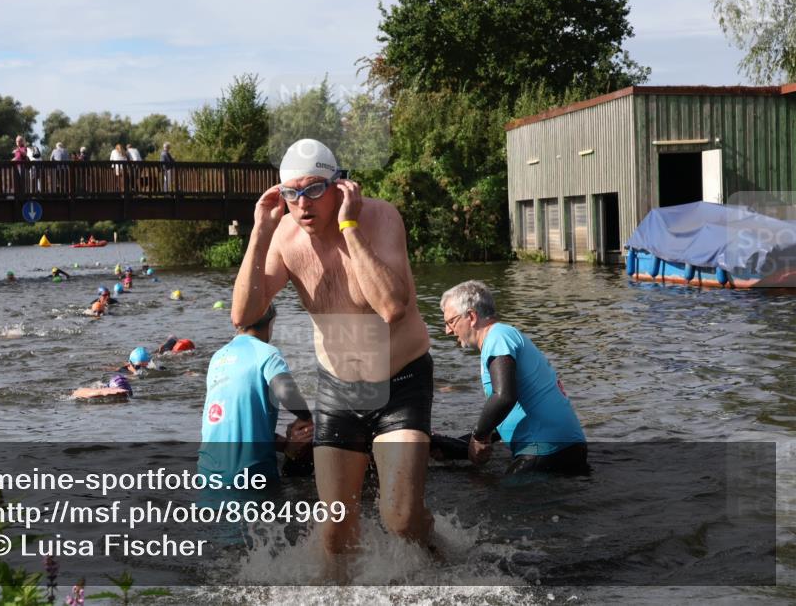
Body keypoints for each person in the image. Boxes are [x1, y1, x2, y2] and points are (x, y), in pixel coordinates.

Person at [231, 138, 434, 570]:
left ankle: (445, 565)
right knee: (335, 533)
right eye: (291, 194)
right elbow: (242, 315)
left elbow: (393, 307)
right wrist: (260, 230)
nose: (302, 205)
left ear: (340, 187)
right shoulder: (285, 235)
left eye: (314, 190)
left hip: (400, 384)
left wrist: (349, 227)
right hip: (338, 390)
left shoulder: (379, 218)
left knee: (400, 520)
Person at [441, 280, 588, 475]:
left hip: (545, 450)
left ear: (471, 316)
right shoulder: (502, 337)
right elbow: (506, 415)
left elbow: (503, 398)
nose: (448, 330)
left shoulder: (497, 337)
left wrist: (478, 437)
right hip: (561, 448)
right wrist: (455, 447)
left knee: (499, 503)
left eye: (451, 322)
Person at [198, 303, 314, 485]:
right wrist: (306, 418)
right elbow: (285, 390)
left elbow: (235, 424)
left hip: (207, 473)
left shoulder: (217, 358)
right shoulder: (267, 353)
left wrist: (286, 446)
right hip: (251, 473)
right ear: (271, 323)